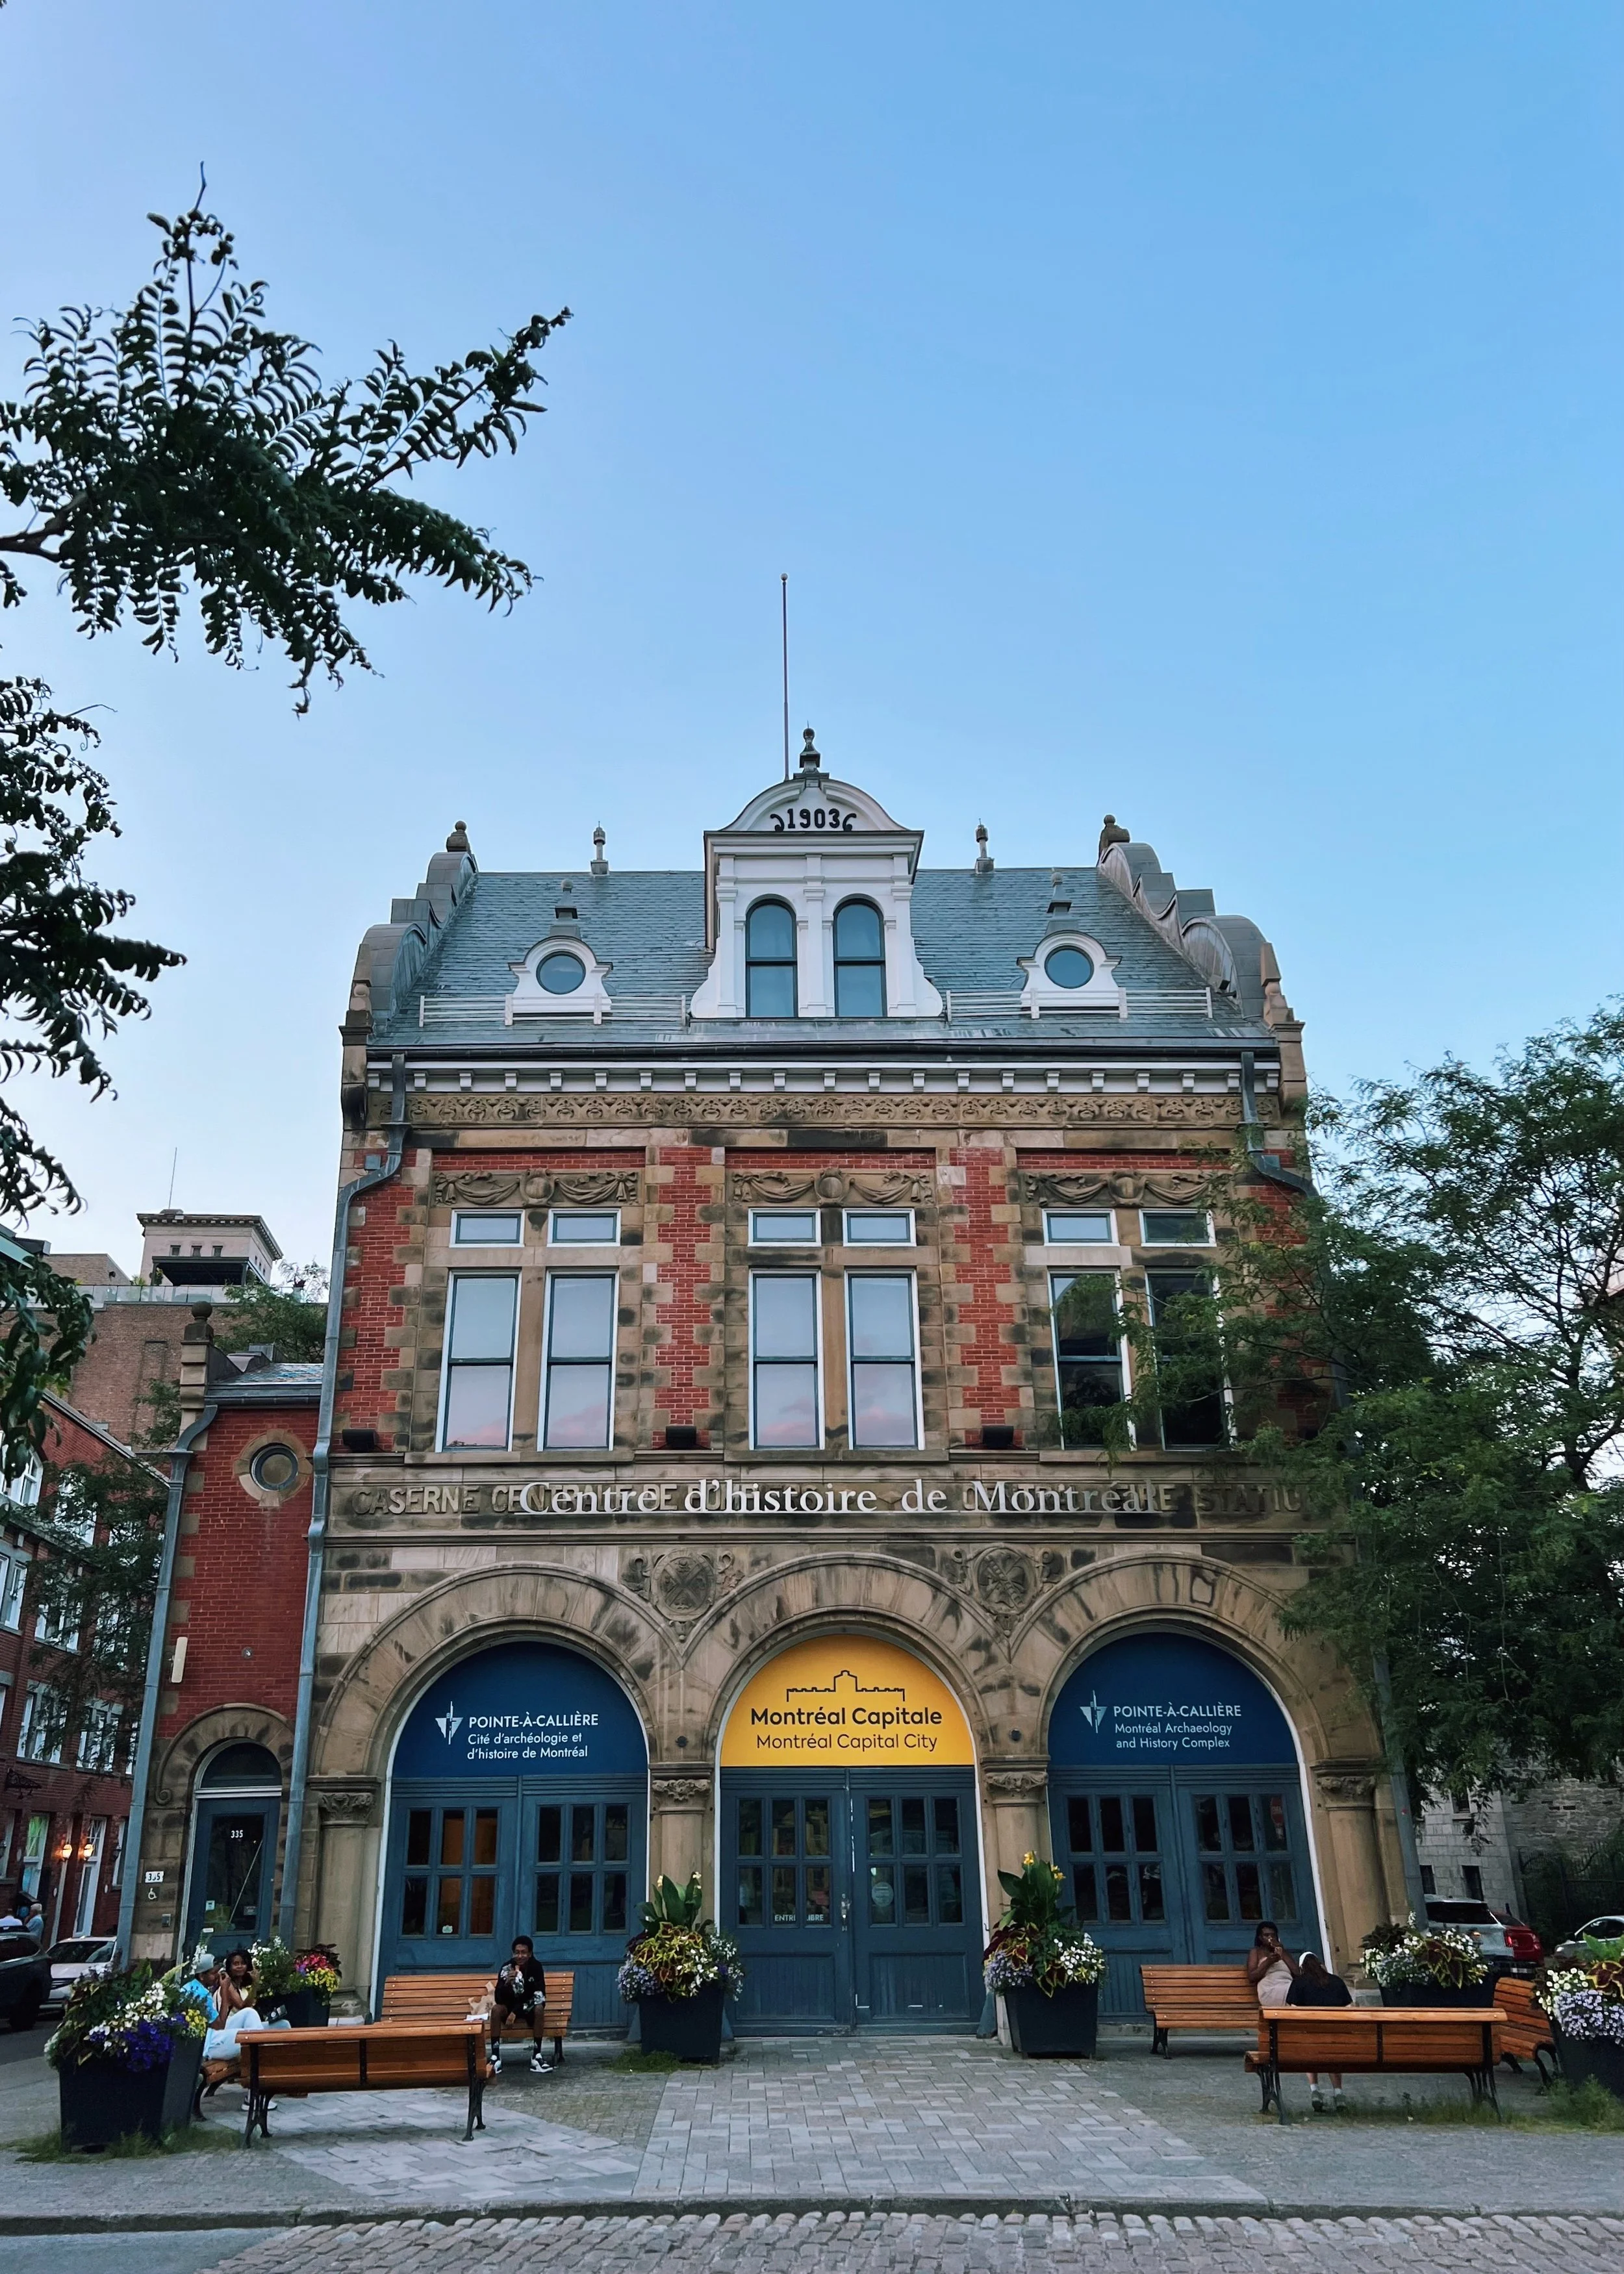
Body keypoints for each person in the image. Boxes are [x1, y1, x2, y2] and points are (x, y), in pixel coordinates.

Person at [1287, 1950, 1352, 2112]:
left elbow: (1292, 2012)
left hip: (1310, 2038)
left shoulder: (1299, 1983)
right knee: (1332, 2050)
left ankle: (1315, 2090)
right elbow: (1349, 2010)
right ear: (1321, 1965)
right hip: (1335, 2038)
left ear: (1302, 1968)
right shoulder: (1337, 1982)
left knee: (1310, 2048)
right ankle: (1339, 2093)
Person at [490, 1936, 551, 2076]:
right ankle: (495, 2056)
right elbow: (498, 1998)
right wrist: (507, 1984)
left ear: (530, 1954)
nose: (520, 1956)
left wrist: (516, 2012)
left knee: (539, 2008)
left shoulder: (536, 1967)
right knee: (496, 2009)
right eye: (517, 1952)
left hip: (527, 2009)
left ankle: (537, 2055)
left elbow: (539, 1996)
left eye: (524, 1953)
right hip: (509, 2007)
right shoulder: (507, 1967)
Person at [1246, 1921, 1297, 2008]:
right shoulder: (1256, 1952)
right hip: (1270, 1989)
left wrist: (1282, 1951)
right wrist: (1268, 1962)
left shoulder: (1283, 1952)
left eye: (1273, 1935)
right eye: (1266, 1935)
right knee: (1297, 1995)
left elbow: (1297, 1973)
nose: (1270, 1938)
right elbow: (1252, 1977)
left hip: (1288, 1986)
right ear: (1260, 1938)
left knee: (1302, 1991)